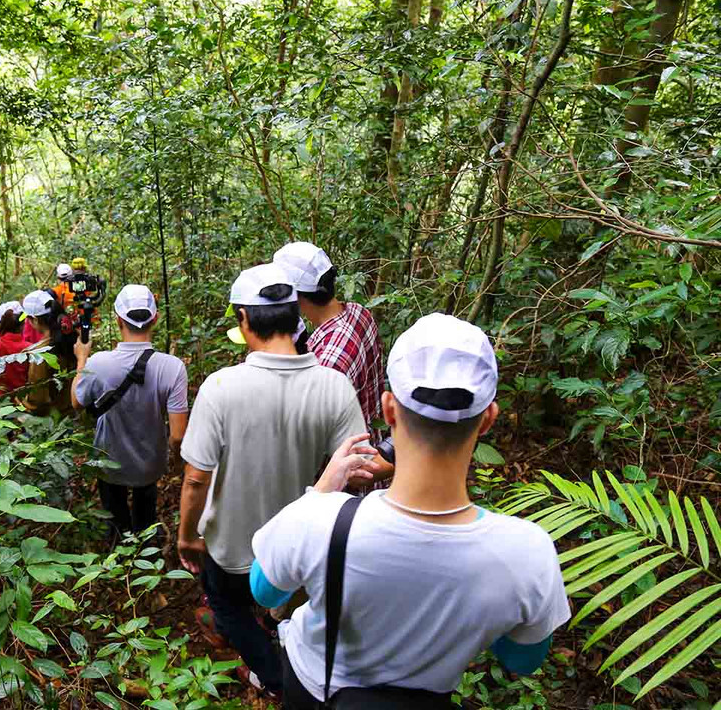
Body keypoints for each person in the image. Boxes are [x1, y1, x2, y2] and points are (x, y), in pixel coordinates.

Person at [251, 314, 571, 709]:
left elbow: (265, 590)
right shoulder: (527, 553)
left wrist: (320, 491)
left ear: (389, 409)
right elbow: (523, 659)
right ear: (487, 419)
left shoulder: (320, 520)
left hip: (316, 693)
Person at [177, 263, 373, 696]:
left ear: (244, 319)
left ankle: (276, 677)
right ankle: (290, 653)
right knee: (281, 604)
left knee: (227, 607)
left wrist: (187, 536)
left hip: (229, 548)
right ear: (295, 315)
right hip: (295, 549)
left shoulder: (220, 387)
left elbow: (195, 479)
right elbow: (361, 468)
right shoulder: (334, 386)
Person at [71, 285, 189, 543]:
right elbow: (178, 435)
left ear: (118, 319)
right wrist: (177, 464)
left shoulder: (98, 362)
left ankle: (120, 553)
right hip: (150, 462)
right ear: (155, 319)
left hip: (109, 460)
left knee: (115, 516)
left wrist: (82, 358)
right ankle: (145, 547)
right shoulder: (173, 367)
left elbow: (77, 402)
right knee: (145, 511)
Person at [273, 242, 385, 432]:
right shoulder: (359, 313)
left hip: (350, 457)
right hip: (374, 438)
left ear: (295, 295)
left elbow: (311, 431)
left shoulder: (328, 362)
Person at [19, 289, 77, 415]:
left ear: (34, 320)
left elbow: (38, 399)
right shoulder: (72, 338)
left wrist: (21, 402)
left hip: (55, 418)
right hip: (74, 410)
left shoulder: (40, 353)